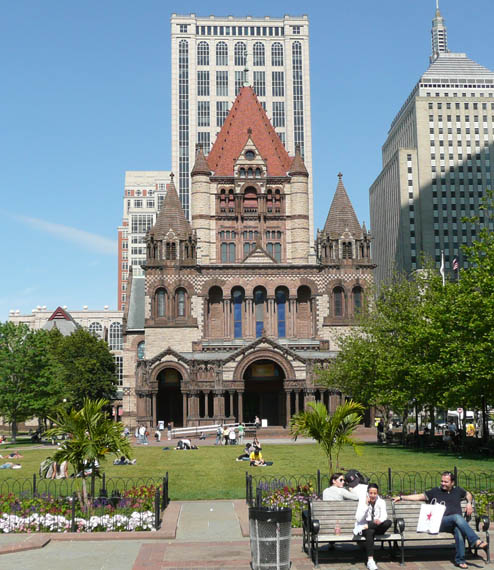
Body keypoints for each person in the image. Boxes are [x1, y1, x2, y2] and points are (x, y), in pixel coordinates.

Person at [393, 471, 488, 569]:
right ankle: (475, 541)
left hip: (454, 524)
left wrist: (469, 503)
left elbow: (468, 494)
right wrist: (402, 497)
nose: (443, 484)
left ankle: (460, 560)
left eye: (446, 482)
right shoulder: (435, 491)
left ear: (452, 483)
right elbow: (419, 496)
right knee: (457, 517)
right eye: (442, 481)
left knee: (458, 530)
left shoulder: (458, 490)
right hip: (439, 523)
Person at [354, 483, 392, 570]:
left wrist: (379, 521)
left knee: (388, 522)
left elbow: (384, 516)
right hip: (364, 529)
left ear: (377, 493)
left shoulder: (381, 502)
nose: (373, 495)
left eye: (375, 493)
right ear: (368, 493)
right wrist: (366, 506)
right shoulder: (362, 501)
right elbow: (358, 519)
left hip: (375, 526)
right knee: (370, 532)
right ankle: (370, 560)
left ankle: (370, 526)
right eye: (371, 493)